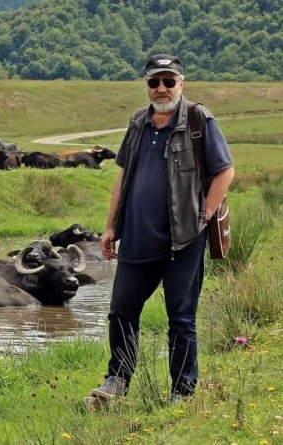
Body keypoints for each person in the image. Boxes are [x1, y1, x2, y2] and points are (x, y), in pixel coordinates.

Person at [88, 54, 235, 405]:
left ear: (181, 82)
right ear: (147, 85)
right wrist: (110, 226)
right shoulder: (138, 123)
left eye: (169, 81)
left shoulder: (199, 120)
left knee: (181, 319)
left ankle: (182, 393)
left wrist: (204, 214)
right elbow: (122, 174)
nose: (162, 88)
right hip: (137, 238)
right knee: (121, 311)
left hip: (183, 241)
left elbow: (224, 171)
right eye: (155, 82)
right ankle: (117, 383)